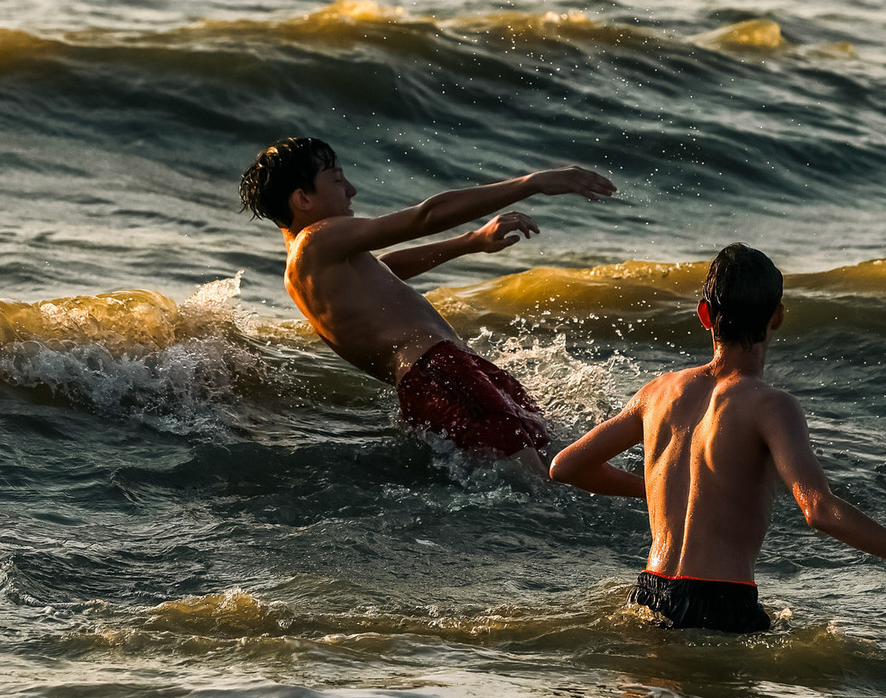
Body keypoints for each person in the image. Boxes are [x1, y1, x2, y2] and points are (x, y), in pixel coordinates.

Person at [549, 243, 886, 633]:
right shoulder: (771, 406)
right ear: (777, 317)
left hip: (649, 594)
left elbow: (566, 466)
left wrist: (656, 488)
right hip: (721, 602)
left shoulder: (658, 392)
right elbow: (818, 509)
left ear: (704, 315)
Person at [239, 136, 616, 462]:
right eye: (337, 180)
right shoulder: (317, 237)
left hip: (438, 374)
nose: (351, 190)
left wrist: (471, 242)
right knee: (535, 475)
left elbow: (386, 269)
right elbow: (426, 216)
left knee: (551, 461)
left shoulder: (307, 265)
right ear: (302, 198)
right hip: (439, 371)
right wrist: (532, 183)